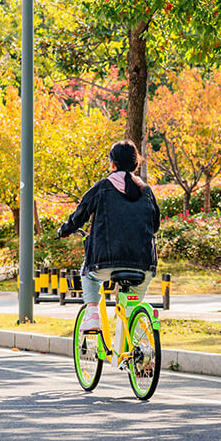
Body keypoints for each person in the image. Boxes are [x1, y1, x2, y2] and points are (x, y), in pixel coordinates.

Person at [57, 141, 160, 333]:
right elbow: (155, 225)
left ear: (112, 164)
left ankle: (92, 314)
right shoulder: (146, 191)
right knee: (133, 307)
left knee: (88, 275)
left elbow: (79, 216)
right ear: (136, 164)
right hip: (144, 265)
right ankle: (140, 348)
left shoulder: (103, 187)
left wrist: (64, 230)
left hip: (105, 263)